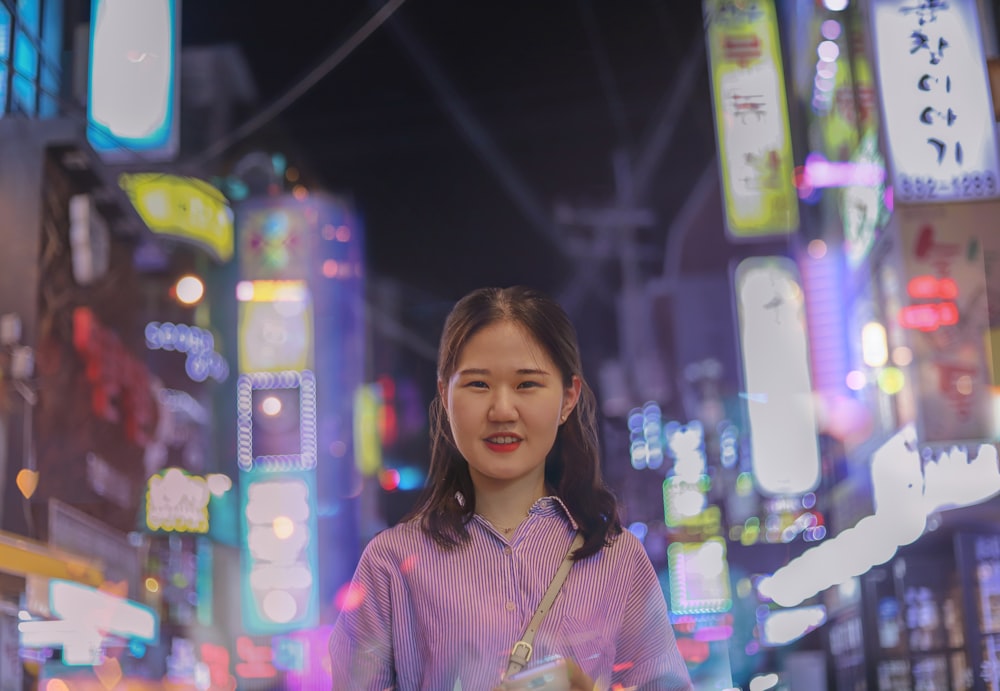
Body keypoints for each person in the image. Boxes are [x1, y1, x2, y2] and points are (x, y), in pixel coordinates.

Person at [330, 286, 694, 690]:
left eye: (527, 385)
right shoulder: (390, 565)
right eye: (478, 385)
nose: (502, 410)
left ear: (568, 397)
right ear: (445, 397)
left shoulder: (618, 560)